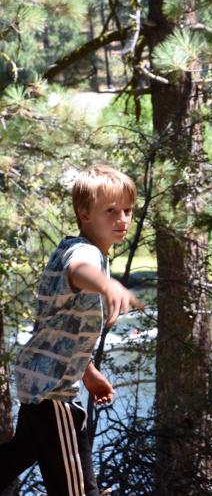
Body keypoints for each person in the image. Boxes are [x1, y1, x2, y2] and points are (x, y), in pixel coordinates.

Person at [0, 163, 142, 496]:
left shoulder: (77, 249)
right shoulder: (84, 253)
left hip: (40, 380)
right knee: (76, 488)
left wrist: (87, 371)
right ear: (84, 214)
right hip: (53, 392)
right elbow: (80, 271)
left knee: (20, 454)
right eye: (111, 210)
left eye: (127, 210)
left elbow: (61, 327)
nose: (122, 218)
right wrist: (107, 286)